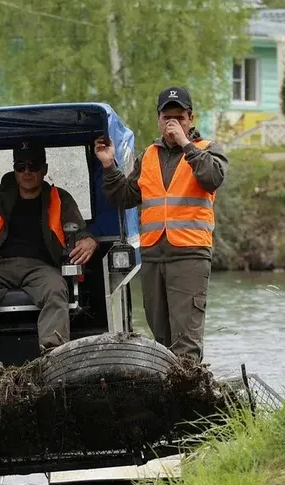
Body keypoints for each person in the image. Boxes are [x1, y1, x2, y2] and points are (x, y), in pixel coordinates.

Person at [93, 86, 228, 361]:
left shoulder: (207, 150)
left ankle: (188, 395)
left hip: (189, 255)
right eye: (167, 117)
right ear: (158, 119)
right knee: (161, 341)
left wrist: (185, 145)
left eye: (179, 117)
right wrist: (109, 165)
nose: (172, 123)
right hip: (154, 256)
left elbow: (213, 178)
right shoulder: (149, 156)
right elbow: (125, 196)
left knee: (185, 341)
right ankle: (167, 392)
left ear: (190, 118)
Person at [0, 142, 98, 352]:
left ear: (44, 169)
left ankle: (55, 355)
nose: (27, 172)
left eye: (33, 166)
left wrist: (90, 241)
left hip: (41, 268)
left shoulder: (61, 199)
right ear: (14, 169)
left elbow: (80, 232)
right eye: (20, 166)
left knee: (56, 289)